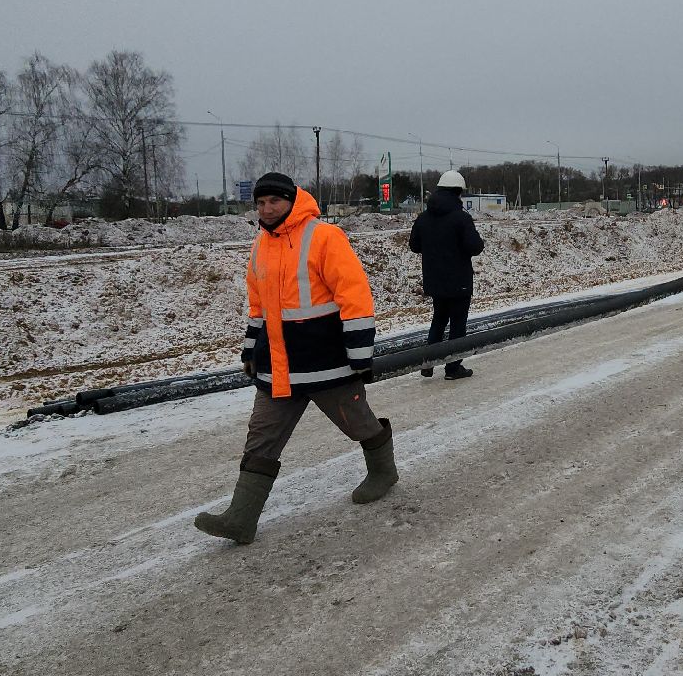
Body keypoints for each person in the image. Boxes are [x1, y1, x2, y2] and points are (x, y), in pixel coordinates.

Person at [194, 172, 395, 544]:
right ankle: (241, 518)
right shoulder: (260, 245)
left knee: (358, 424)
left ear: (291, 200)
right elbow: (259, 306)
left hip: (327, 363)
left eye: (273, 201)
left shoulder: (323, 236)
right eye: (260, 203)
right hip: (277, 367)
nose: (266, 209)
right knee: (261, 437)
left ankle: (384, 473)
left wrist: (361, 353)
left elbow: (354, 295)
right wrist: (251, 348)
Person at [409, 169, 485, 380]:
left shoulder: (423, 218)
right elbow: (475, 247)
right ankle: (452, 368)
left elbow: (414, 245)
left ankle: (429, 362)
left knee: (439, 319)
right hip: (458, 282)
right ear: (457, 192)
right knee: (458, 325)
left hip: (435, 281)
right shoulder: (461, 218)